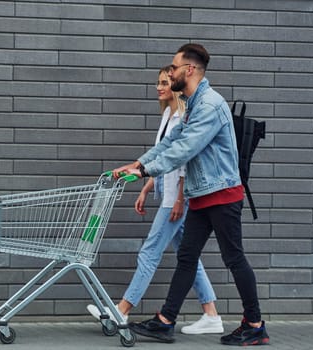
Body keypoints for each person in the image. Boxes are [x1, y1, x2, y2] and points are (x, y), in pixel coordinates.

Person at [112, 43, 269, 346]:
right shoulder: (192, 103)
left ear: (190, 69)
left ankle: (254, 324)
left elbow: (185, 149)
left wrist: (146, 172)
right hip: (202, 195)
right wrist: (138, 164)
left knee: (234, 258)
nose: (170, 73)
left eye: (174, 67)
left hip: (222, 195)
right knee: (186, 257)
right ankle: (165, 321)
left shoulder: (209, 105)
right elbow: (170, 142)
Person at [86, 66, 223, 336]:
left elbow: (184, 160)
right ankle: (212, 315)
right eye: (158, 82)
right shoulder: (167, 114)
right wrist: (147, 187)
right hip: (166, 193)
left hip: (176, 198)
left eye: (165, 82)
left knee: (149, 253)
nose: (159, 87)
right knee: (189, 257)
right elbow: (161, 157)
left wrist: (180, 200)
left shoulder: (184, 115)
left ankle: (122, 310)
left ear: (175, 83)